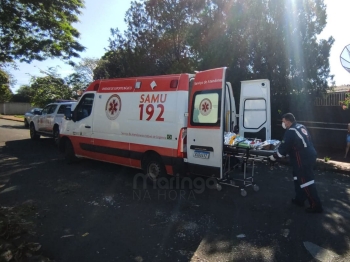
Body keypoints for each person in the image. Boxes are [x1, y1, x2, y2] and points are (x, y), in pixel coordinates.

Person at [269, 113, 323, 213]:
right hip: (308, 154)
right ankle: (300, 199)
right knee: (297, 178)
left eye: (283, 121)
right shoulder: (301, 126)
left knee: (306, 181)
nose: (283, 123)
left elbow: (283, 149)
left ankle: (316, 205)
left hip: (302, 158)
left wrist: (273, 157)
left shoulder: (291, 131)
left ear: (288, 121)